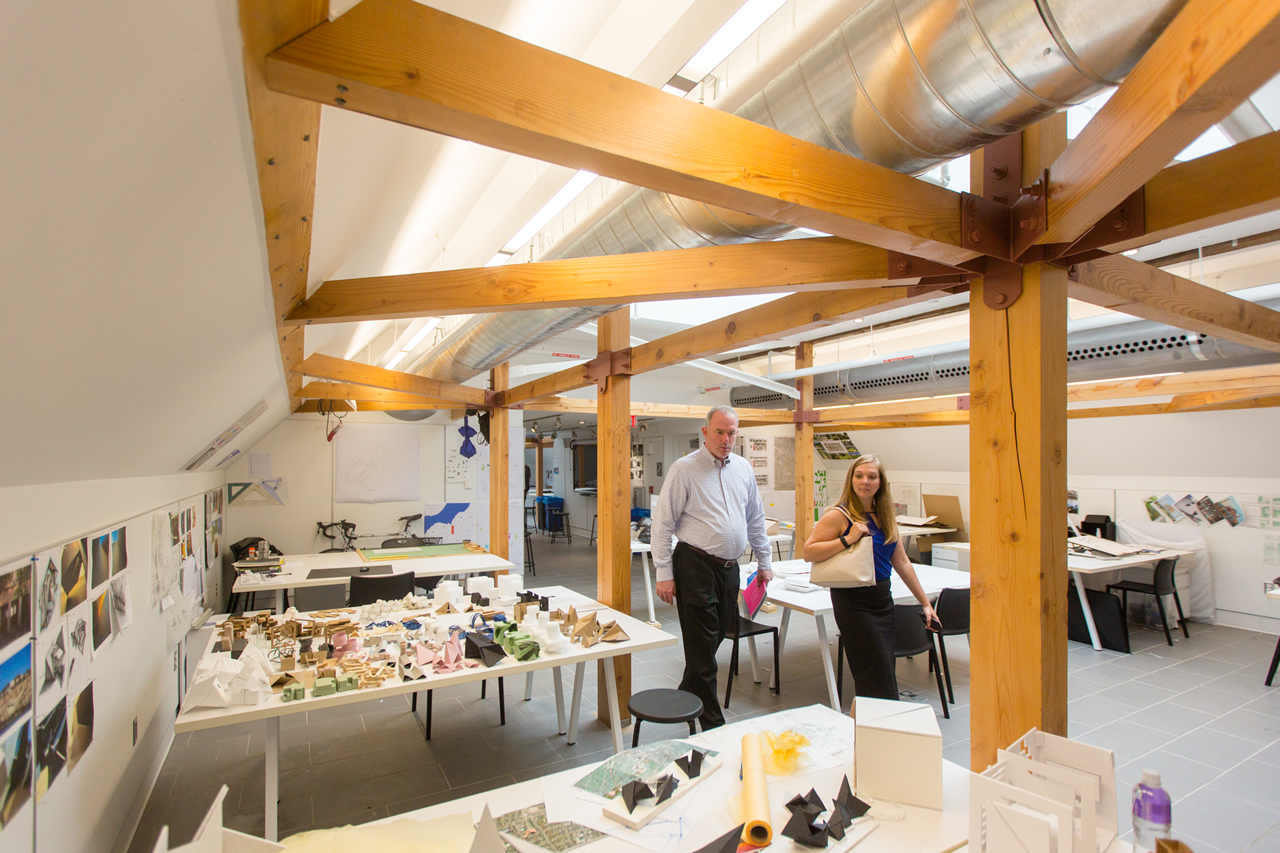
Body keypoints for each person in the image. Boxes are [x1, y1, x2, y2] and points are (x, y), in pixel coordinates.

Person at [652, 406, 774, 729]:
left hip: (730, 570)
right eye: (719, 432)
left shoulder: (743, 469)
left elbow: (755, 518)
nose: (726, 439)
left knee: (710, 640)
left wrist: (764, 562)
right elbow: (662, 524)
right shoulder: (684, 469)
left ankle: (686, 694)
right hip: (695, 565)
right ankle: (713, 727)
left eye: (731, 433)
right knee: (704, 651)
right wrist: (664, 574)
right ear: (705, 432)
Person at [803, 454, 937, 701]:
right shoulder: (839, 514)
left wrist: (925, 603)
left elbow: (902, 562)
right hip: (853, 602)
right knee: (875, 676)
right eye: (859, 476)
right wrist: (848, 538)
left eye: (872, 477)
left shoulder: (884, 515)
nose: (865, 481)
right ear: (851, 480)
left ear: (880, 482)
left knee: (882, 673)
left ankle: (867, 722)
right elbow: (808, 552)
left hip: (882, 600)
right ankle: (879, 722)